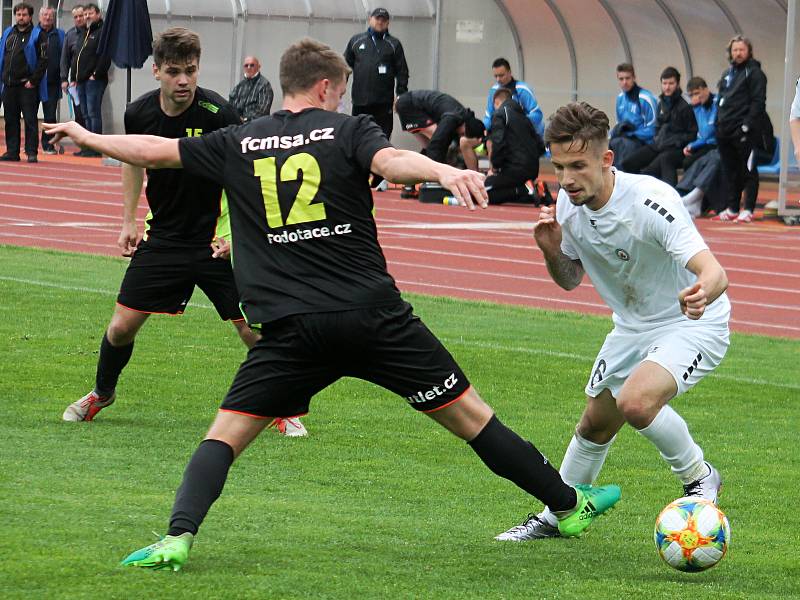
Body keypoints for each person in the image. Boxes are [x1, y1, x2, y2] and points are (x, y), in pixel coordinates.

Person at [46, 38, 622, 570]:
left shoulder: (241, 139)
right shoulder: (347, 131)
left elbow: (156, 150)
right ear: (325, 87)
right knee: (473, 421)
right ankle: (569, 506)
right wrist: (445, 168)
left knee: (223, 435)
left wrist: (87, 136)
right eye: (341, 89)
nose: (341, 97)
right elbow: (394, 164)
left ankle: (177, 536)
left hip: (292, 329)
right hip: (374, 318)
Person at [496, 102, 728, 541]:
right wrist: (550, 249)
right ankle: (560, 513)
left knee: (636, 403)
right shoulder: (567, 205)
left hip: (691, 321)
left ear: (606, 159)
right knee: (594, 425)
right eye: (559, 166)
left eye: (578, 166)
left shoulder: (651, 201)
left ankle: (700, 477)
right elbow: (569, 280)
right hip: (631, 326)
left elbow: (714, 272)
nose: (566, 179)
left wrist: (701, 294)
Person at [59, 27, 306, 437]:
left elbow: (245, 177)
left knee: (252, 329)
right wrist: (128, 220)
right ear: (156, 71)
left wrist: (238, 235)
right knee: (121, 327)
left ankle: (282, 405)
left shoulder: (218, 114)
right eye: (174, 71)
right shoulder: (139, 113)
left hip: (216, 242)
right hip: (165, 240)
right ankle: (102, 393)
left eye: (190, 70)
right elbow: (133, 162)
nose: (184, 81)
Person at [713, 35, 767, 223]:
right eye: (735, 50)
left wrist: (746, 125)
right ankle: (733, 207)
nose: (738, 53)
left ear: (749, 51)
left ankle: (749, 208)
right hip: (724, 131)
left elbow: (758, 102)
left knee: (748, 170)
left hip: (744, 132)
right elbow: (720, 100)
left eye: (741, 50)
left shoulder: (754, 73)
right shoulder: (727, 74)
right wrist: (716, 124)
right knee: (730, 171)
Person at [462, 57, 544, 172]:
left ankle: (493, 175)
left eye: (501, 75)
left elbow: (537, 115)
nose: (498, 79)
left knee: (493, 142)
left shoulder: (522, 89)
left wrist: (516, 123)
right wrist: (481, 129)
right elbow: (488, 116)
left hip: (516, 136)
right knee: (464, 141)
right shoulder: (494, 90)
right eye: (495, 76)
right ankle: (475, 177)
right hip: (497, 133)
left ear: (510, 72)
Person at [621, 67, 697, 186]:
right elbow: (657, 126)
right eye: (664, 83)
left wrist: (675, 142)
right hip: (659, 145)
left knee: (652, 170)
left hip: (676, 149)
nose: (667, 87)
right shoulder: (661, 103)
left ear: (677, 84)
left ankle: (670, 199)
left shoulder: (685, 106)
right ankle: (633, 192)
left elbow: (692, 134)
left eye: (671, 83)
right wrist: (658, 137)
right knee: (628, 163)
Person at [344, 7, 408, 141]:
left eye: (383, 20)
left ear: (388, 23)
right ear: (370, 20)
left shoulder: (393, 44)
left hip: (383, 102)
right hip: (360, 101)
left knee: (382, 137)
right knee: (357, 135)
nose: (380, 22)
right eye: (377, 18)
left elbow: (402, 71)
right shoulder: (356, 41)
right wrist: (339, 88)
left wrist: (401, 95)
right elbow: (344, 67)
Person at [0, 2, 48, 163]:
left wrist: (33, 81)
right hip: (9, 85)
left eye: (24, 15)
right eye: (18, 14)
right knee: (10, 119)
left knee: (30, 120)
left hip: (27, 86)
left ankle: (31, 151)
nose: (21, 17)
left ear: (30, 16)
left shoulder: (38, 34)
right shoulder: (8, 33)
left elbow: (44, 60)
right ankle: (12, 151)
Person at [485, 87, 545, 205]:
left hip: (514, 169)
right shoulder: (525, 118)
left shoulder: (500, 114)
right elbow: (540, 146)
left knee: (484, 191)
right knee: (505, 187)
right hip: (532, 170)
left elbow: (498, 142)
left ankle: (525, 190)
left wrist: (496, 167)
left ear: (496, 102)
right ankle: (533, 191)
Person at [395, 89, 485, 165]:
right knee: (436, 141)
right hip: (408, 105)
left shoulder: (464, 117)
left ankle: (414, 171)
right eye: (462, 134)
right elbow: (436, 146)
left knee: (429, 146)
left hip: (412, 103)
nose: (460, 136)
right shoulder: (452, 118)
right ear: (464, 126)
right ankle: (430, 178)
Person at [677, 77, 724, 217]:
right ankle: (684, 194)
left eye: (698, 93)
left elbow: (709, 131)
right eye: (691, 95)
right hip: (708, 144)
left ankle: (697, 198)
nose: (695, 97)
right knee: (689, 160)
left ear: (706, 89)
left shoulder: (717, 104)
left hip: (716, 145)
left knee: (701, 160)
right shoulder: (698, 108)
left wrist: (693, 144)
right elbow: (703, 133)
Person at [72, 2, 110, 155]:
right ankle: (87, 147)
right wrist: (74, 76)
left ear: (98, 14)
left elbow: (105, 56)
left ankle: (95, 148)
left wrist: (96, 74)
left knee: (93, 114)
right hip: (80, 80)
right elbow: (77, 56)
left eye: (90, 13)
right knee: (85, 114)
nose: (87, 16)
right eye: (85, 14)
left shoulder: (102, 32)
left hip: (93, 80)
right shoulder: (84, 33)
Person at [609, 63, 658, 170]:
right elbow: (619, 124)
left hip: (643, 143)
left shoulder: (645, 98)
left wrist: (632, 134)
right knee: (610, 144)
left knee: (623, 146)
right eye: (621, 79)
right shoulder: (620, 98)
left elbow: (653, 130)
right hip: (624, 141)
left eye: (627, 78)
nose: (624, 82)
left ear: (634, 78)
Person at [37, 6, 65, 155]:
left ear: (53, 18)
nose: (47, 18)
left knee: (50, 117)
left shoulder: (60, 35)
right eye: (45, 15)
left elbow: (65, 57)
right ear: (40, 17)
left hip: (53, 83)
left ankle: (47, 145)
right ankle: (30, 146)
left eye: (50, 16)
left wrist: (64, 78)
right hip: (34, 82)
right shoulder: (33, 33)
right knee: (29, 115)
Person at [60, 4, 86, 128]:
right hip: (76, 82)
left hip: (92, 80)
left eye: (81, 16)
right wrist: (64, 79)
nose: (79, 19)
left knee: (91, 113)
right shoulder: (70, 35)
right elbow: (64, 59)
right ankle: (82, 145)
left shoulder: (94, 32)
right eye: (76, 17)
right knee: (79, 113)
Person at [228, 55, 273, 121]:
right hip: (239, 125)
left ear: (258, 67)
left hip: (256, 126)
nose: (249, 67)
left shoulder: (264, 85)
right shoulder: (239, 86)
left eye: (252, 65)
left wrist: (245, 119)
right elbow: (231, 104)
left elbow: (262, 110)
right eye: (246, 65)